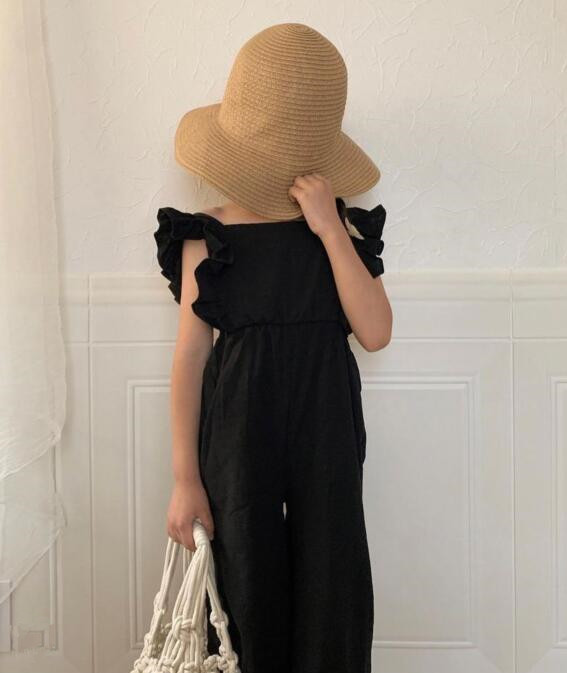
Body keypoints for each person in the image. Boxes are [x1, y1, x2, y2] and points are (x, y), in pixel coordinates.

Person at [154, 22, 393, 673]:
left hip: (326, 428)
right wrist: (184, 479)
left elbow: (375, 331)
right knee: (242, 578)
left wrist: (329, 229)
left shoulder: (340, 231)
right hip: (237, 430)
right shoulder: (206, 238)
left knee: (332, 579)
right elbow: (190, 357)